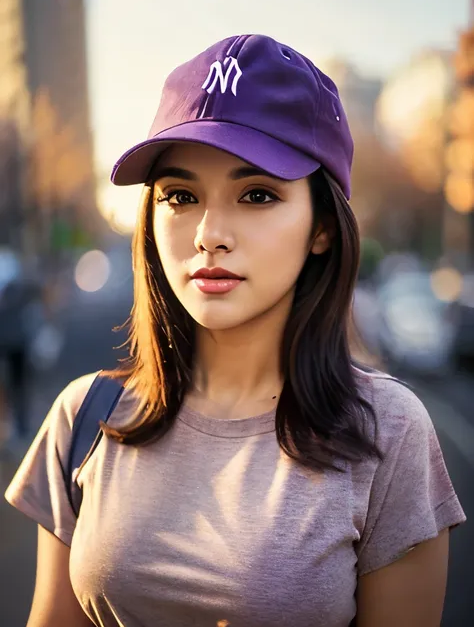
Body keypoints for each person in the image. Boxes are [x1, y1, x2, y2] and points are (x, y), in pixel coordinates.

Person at [4, 34, 466, 627]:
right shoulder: (84, 417)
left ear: (322, 227)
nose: (208, 234)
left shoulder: (387, 431)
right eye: (180, 195)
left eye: (256, 194)